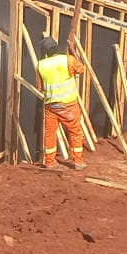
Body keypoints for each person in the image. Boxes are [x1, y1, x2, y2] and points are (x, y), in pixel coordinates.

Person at [36, 36, 88, 170]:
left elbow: (40, 87)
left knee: (50, 134)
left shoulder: (41, 65)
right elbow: (81, 69)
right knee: (75, 132)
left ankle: (49, 162)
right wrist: (74, 53)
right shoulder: (68, 60)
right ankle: (78, 161)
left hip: (51, 106)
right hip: (68, 105)